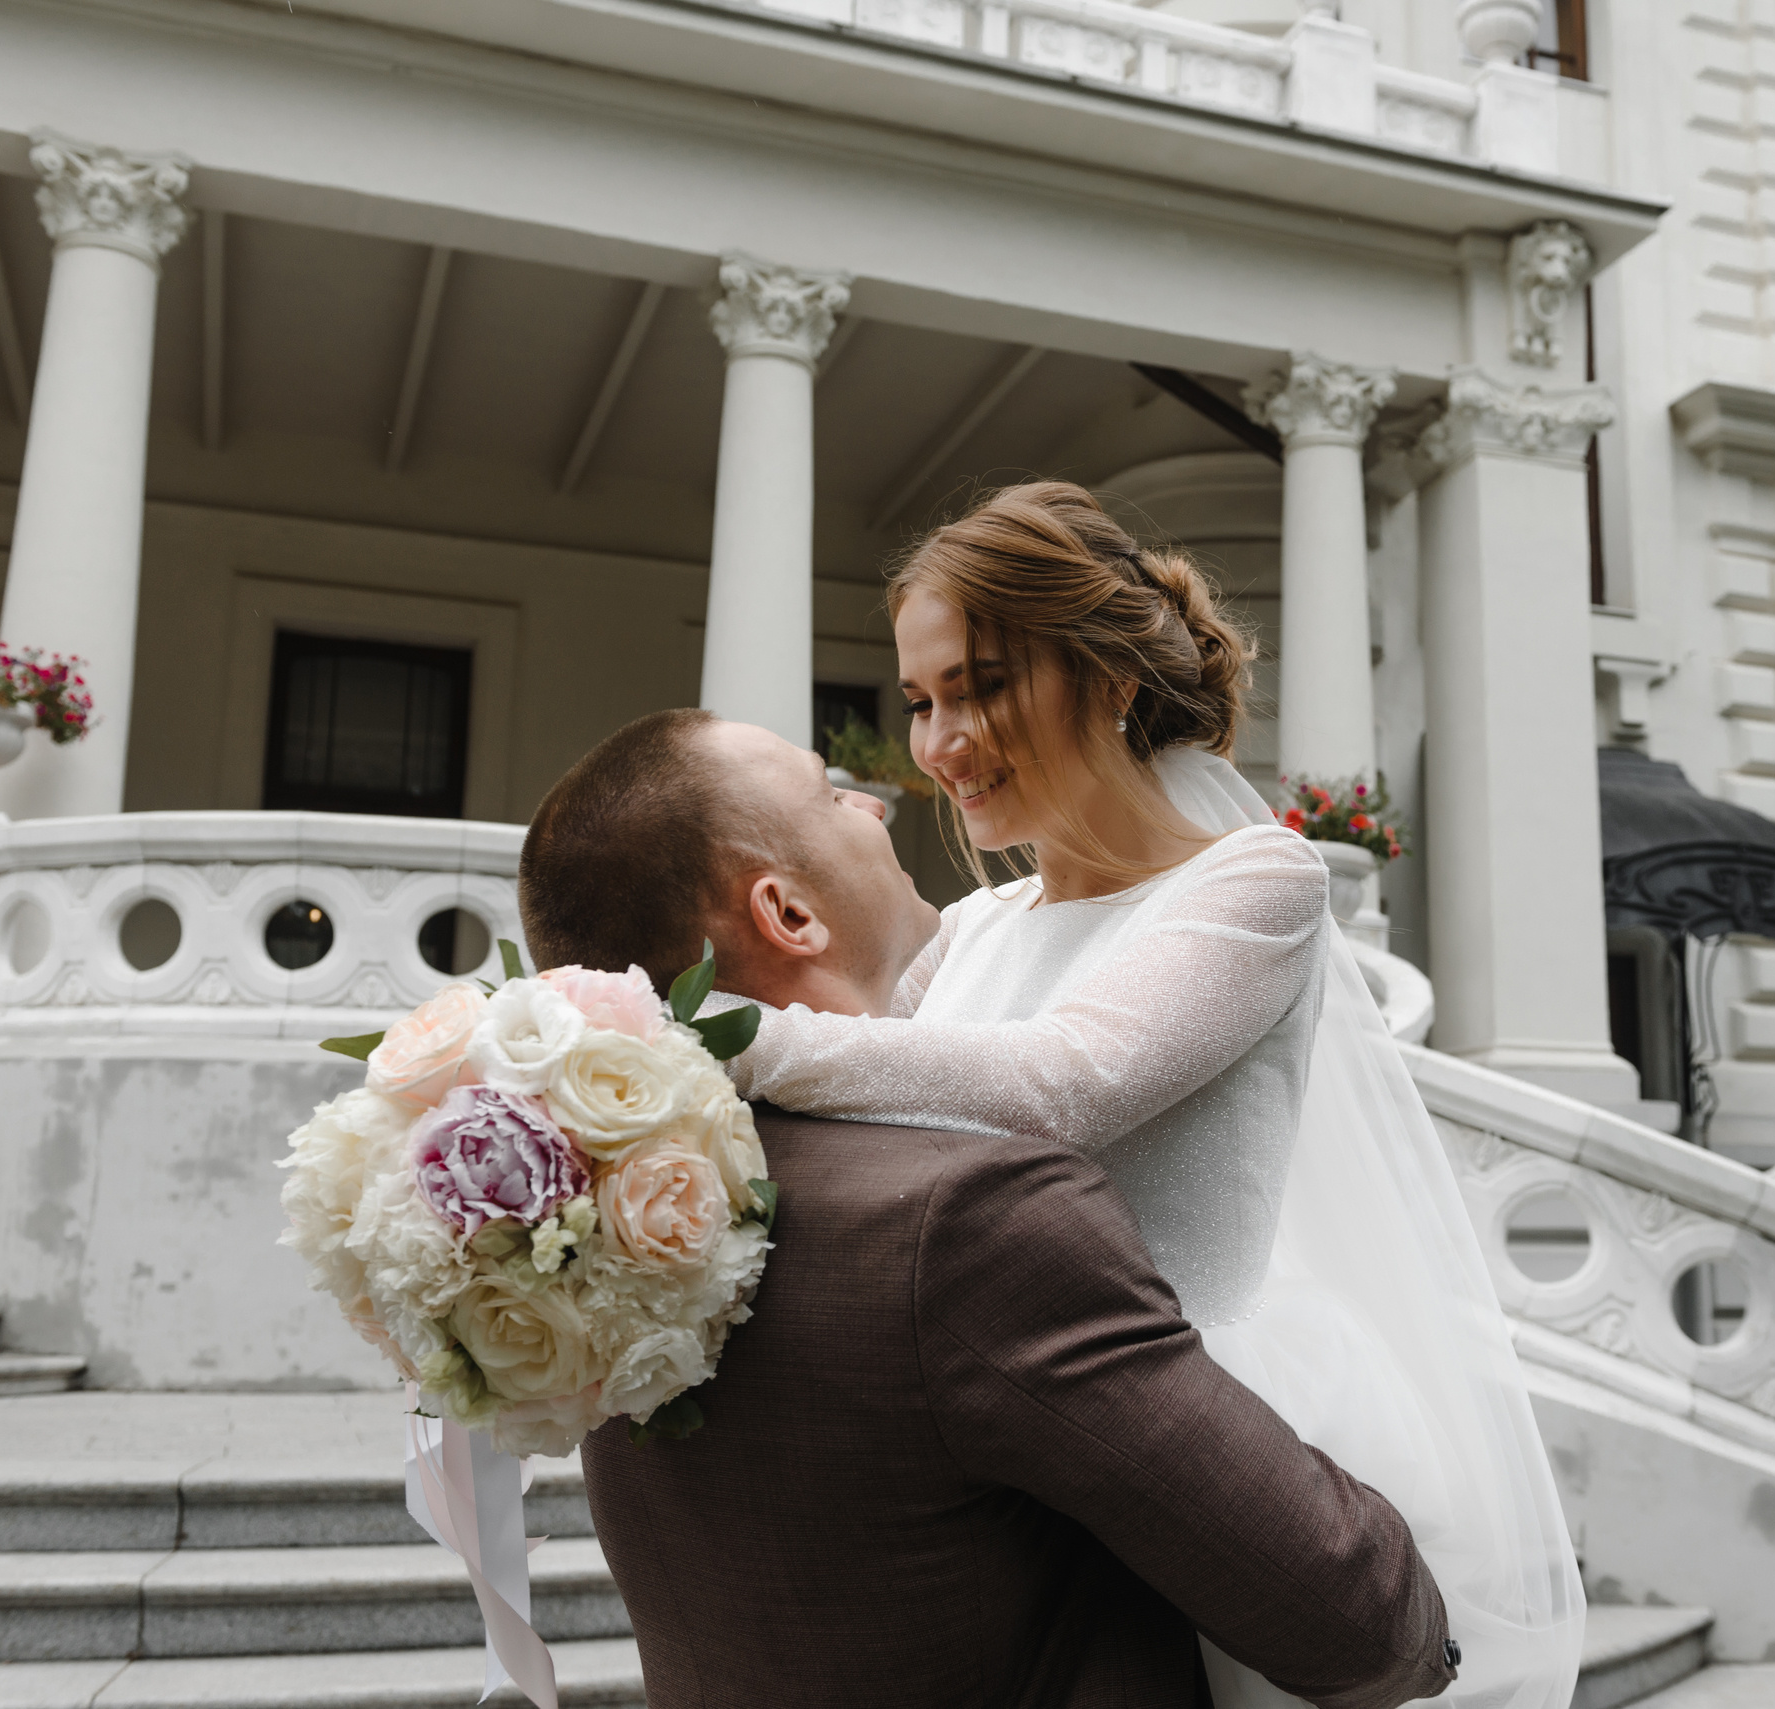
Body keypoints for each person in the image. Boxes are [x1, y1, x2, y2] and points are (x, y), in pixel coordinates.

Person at [682, 483, 1584, 1709]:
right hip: (990, 1428)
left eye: (980, 686)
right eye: (922, 700)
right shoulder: (975, 926)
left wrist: (728, 1037)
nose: (941, 741)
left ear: (1106, 679)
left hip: (1200, 1421)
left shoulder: (1257, 881)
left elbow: (1066, 1083)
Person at [519, 709, 1458, 1709]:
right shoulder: (973, 1222)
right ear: (788, 913)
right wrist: (1425, 1625)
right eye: (830, 792)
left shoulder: (593, 1207)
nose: (875, 799)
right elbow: (1351, 1615)